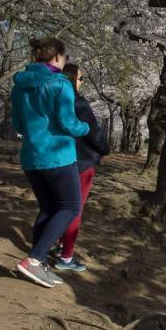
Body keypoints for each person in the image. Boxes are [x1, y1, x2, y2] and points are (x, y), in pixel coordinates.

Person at [10, 37, 90, 288]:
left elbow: (18, 124)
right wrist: (85, 127)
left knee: (48, 209)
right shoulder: (60, 84)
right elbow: (68, 122)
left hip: (31, 156)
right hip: (57, 155)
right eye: (65, 57)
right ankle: (34, 259)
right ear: (57, 57)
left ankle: (39, 262)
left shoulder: (20, 86)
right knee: (70, 207)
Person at [54, 63, 109, 273]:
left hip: (58, 161)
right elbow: (93, 132)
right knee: (74, 208)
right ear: (72, 79)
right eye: (81, 78)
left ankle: (60, 246)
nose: (82, 82)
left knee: (61, 206)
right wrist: (104, 149)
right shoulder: (78, 102)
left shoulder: (55, 101)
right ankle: (66, 256)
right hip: (82, 160)